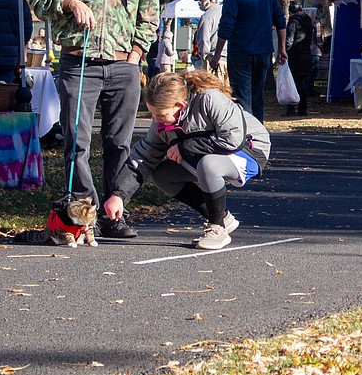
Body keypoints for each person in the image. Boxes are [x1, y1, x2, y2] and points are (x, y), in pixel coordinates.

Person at [30, 0, 160, 239]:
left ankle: (113, 214)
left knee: (119, 143)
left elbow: (150, 16)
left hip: (123, 66)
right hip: (79, 61)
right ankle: (82, 213)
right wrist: (69, 2)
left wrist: (135, 55)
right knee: (77, 141)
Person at [104, 71, 271, 250]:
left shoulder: (210, 100)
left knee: (208, 165)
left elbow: (233, 139)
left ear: (180, 105)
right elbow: (142, 158)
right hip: (212, 153)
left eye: (160, 115)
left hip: (249, 149)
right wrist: (119, 195)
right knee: (162, 174)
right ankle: (222, 217)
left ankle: (217, 229)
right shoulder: (162, 125)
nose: (156, 120)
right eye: (152, 115)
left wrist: (185, 147)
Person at [208, 0, 286, 121]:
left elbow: (226, 24)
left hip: (241, 52)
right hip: (264, 52)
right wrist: (282, 49)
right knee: (258, 97)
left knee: (242, 99)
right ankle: (258, 135)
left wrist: (217, 55)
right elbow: (280, 21)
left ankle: (246, 136)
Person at [283, 1, 314, 116]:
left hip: (295, 56)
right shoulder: (308, 21)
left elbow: (289, 41)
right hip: (306, 55)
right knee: (303, 84)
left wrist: (284, 52)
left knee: (291, 83)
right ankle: (303, 108)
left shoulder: (293, 22)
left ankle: (291, 109)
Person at [194, 0, 226, 80]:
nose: (200, 4)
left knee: (213, 88)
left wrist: (204, 57)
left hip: (213, 58)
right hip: (228, 57)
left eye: (201, 1)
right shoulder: (225, 11)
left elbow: (203, 39)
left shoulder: (207, 16)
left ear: (211, 1)